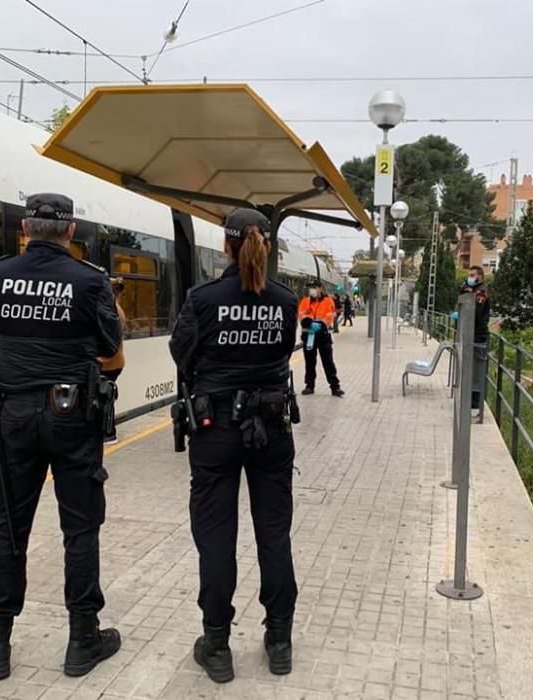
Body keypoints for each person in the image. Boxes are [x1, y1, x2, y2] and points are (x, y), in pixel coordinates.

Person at [0, 193, 122, 681]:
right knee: (80, 527)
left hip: (13, 413)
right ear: (71, 231)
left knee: (10, 525)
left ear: (25, 228)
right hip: (71, 415)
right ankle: (82, 640)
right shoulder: (91, 281)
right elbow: (108, 347)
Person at [169, 208, 300, 684]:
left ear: (226, 245)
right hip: (271, 429)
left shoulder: (203, 299)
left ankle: (217, 645)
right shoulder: (285, 301)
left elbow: (181, 354)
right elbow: (284, 351)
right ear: (267, 245)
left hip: (215, 429)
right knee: (274, 534)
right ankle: (280, 639)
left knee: (216, 538)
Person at [298, 280, 344, 397]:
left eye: (314, 287)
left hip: (323, 336)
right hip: (309, 336)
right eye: (310, 287)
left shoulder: (328, 301)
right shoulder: (305, 301)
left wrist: (321, 324)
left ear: (320, 288)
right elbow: (301, 316)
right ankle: (309, 386)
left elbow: (330, 316)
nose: (311, 290)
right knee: (309, 362)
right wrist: (309, 323)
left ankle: (335, 387)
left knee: (328, 362)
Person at [97, 277, 127, 445]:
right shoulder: (116, 307)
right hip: (114, 361)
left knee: (104, 396)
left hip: (109, 362)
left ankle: (109, 433)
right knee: (105, 395)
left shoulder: (112, 309)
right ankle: (107, 432)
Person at [460, 265, 491, 412]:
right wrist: (465, 289)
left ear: (480, 277)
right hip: (470, 334)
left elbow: (476, 313)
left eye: (472, 275)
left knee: (477, 369)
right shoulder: (473, 291)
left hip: (479, 336)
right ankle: (470, 397)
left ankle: (476, 401)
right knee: (469, 367)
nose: (470, 278)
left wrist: (470, 294)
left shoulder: (482, 293)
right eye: (469, 275)